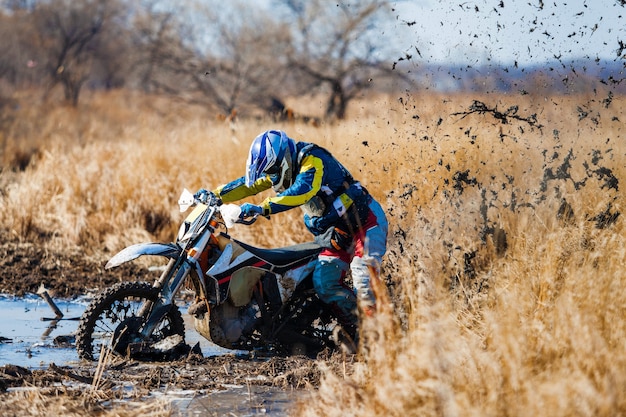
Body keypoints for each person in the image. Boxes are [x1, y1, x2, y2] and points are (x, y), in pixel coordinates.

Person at [198, 129, 388, 339]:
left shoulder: (312, 160)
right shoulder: (278, 171)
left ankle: (383, 336)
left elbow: (302, 191)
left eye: (272, 170)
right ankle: (359, 331)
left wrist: (261, 208)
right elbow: (247, 185)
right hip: (336, 234)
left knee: (362, 274)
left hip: (366, 223)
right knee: (324, 283)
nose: (270, 177)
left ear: (284, 160)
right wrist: (214, 195)